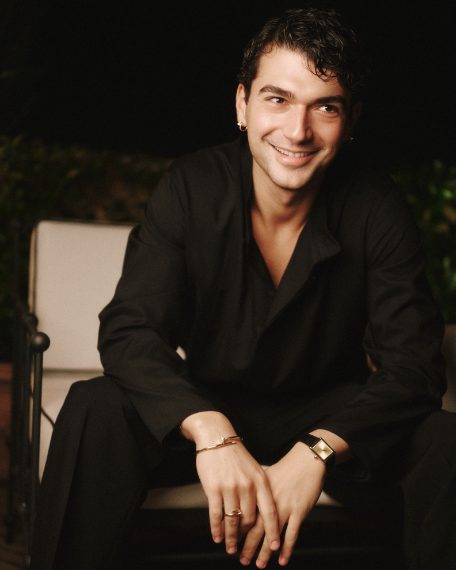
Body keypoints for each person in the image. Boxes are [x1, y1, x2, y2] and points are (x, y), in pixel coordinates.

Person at [31, 6, 456, 570]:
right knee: (95, 406)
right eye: (278, 99)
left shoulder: (376, 204)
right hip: (208, 402)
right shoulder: (190, 187)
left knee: (442, 440)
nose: (297, 131)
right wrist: (212, 432)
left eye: (325, 107)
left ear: (350, 120)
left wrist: (318, 449)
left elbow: (415, 366)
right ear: (242, 104)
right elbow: (132, 330)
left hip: (330, 415)